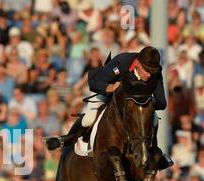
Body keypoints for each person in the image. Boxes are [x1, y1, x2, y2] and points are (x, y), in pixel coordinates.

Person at [43, 46, 173, 171]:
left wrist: (144, 103)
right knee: (89, 118)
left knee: (154, 119)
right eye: (146, 70)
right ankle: (65, 140)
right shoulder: (122, 62)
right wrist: (110, 88)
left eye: (152, 71)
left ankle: (155, 154)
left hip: (134, 106)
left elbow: (161, 102)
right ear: (138, 63)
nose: (149, 75)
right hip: (109, 95)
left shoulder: (155, 72)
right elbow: (95, 82)